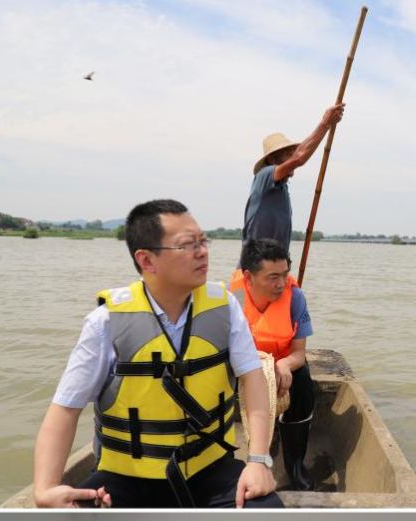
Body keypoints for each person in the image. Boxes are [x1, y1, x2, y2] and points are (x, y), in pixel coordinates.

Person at [33, 199, 283, 509]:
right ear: (147, 260)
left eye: (203, 241)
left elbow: (253, 377)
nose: (202, 251)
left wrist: (258, 461)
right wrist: (45, 488)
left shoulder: (225, 306)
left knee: (267, 511)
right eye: (187, 245)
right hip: (126, 478)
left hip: (212, 469)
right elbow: (65, 409)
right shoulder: (106, 323)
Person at [229, 238, 315, 491]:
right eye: (273, 277)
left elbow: (299, 352)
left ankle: (295, 464)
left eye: (285, 275)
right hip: (243, 365)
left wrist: (285, 365)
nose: (281, 283)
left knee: (301, 381)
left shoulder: (295, 298)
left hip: (281, 364)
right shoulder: (230, 298)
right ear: (249, 276)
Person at [243, 103, 345, 253]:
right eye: (287, 155)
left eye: (292, 153)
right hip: (256, 268)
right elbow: (299, 158)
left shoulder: (282, 188)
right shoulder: (264, 176)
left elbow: (300, 153)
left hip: (276, 265)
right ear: (272, 160)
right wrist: (325, 124)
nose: (292, 157)